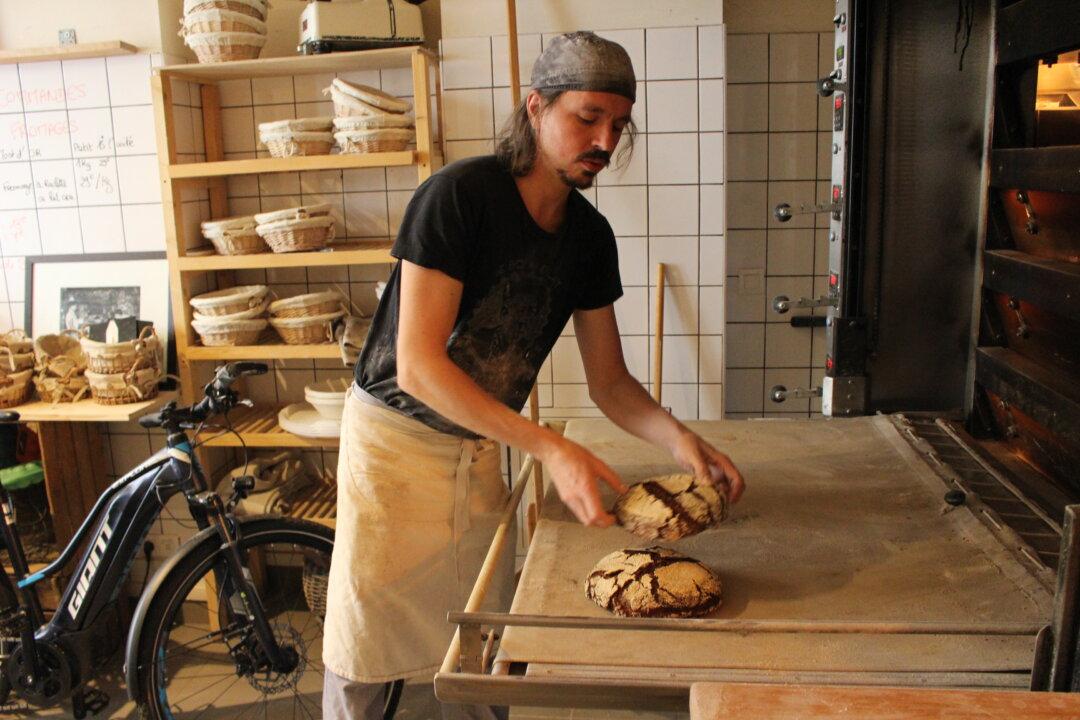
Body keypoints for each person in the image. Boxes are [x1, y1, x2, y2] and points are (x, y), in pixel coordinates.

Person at [322, 31, 746, 719]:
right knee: (366, 646)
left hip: (479, 445)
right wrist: (549, 446)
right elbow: (419, 366)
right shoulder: (457, 198)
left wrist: (678, 440)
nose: (605, 140)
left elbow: (610, 382)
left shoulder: (588, 238)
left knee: (484, 640)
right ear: (535, 108)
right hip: (393, 451)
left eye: (618, 124)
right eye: (587, 118)